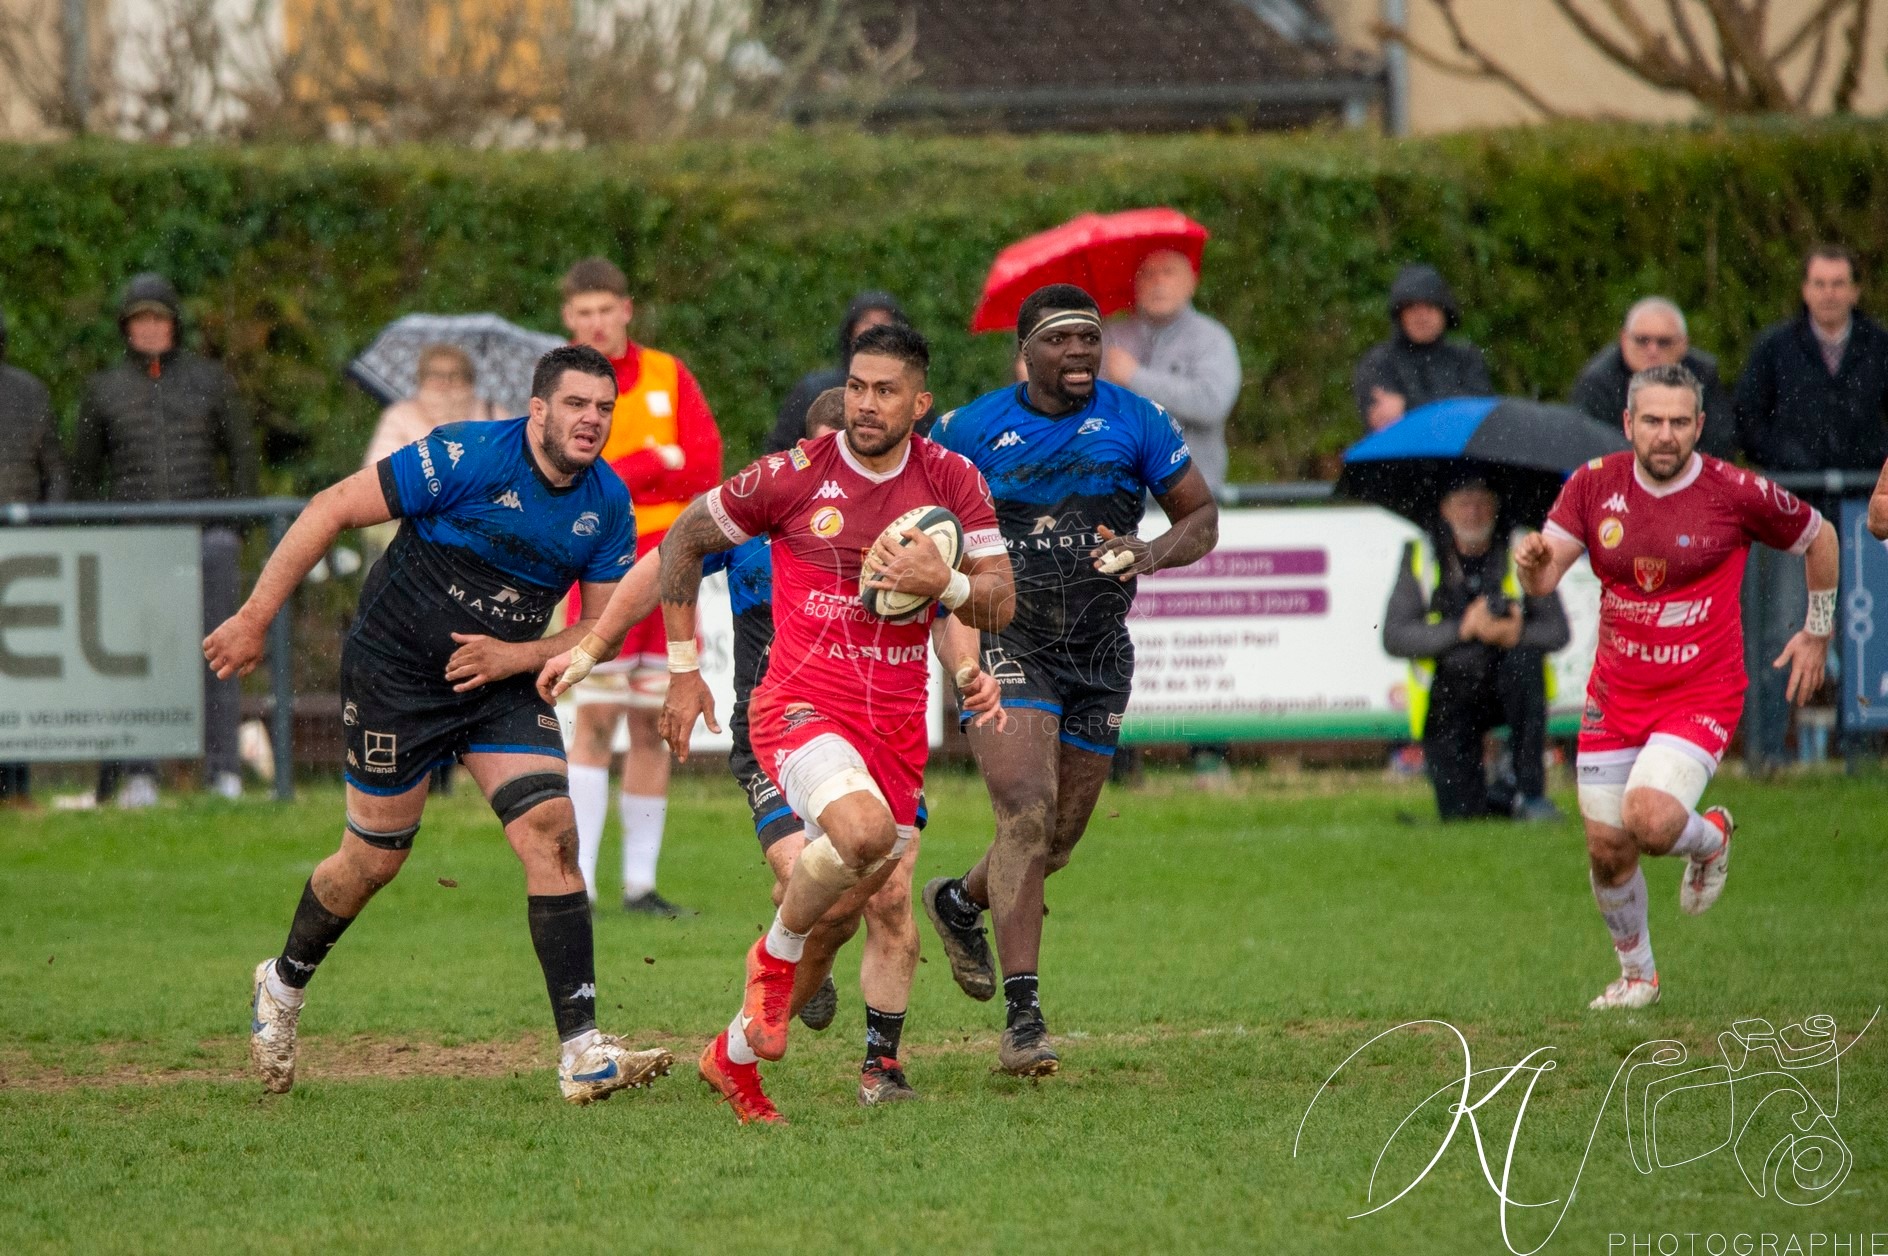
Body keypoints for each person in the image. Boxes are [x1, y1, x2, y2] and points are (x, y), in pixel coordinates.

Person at [205, 345, 674, 1104]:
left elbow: (600, 628)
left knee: (552, 831)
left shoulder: (607, 503)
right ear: (539, 410)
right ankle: (283, 983)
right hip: (396, 677)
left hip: (501, 681)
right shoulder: (463, 456)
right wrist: (256, 617)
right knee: (373, 859)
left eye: (604, 408)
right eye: (577, 404)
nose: (592, 420)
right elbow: (328, 508)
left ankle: (583, 1051)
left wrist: (514, 655)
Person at [655, 322, 1015, 1123]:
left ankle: (732, 1060)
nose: (866, 403)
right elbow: (682, 539)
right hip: (797, 707)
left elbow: (1000, 598)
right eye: (857, 386)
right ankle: (774, 960)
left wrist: (946, 583)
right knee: (862, 837)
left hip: (892, 728)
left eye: (886, 391)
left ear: (920, 403)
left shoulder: (954, 481)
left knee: (870, 888)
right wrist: (684, 673)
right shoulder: (792, 475)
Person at [921, 284, 1220, 1076]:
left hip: (1099, 651)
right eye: (1062, 340)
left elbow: (1201, 516)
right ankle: (1024, 1021)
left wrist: (1147, 552)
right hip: (1006, 638)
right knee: (1024, 812)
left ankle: (957, 901)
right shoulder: (971, 429)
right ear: (1026, 352)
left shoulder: (1138, 420)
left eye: (1089, 338)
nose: (1081, 351)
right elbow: (921, 522)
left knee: (1053, 841)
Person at [1515, 362, 1836, 1010]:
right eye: (1653, 421)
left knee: (1651, 820)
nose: (1666, 434)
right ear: (1630, 423)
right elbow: (1543, 579)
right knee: (1608, 850)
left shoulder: (1733, 490)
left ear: (1700, 426)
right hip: (1616, 695)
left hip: (1701, 693)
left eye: (1679, 422)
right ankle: (1638, 977)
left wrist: (1817, 631)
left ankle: (1709, 837)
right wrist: (1530, 566)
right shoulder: (1592, 486)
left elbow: (1820, 535)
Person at [559, 257, 723, 915]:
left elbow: (706, 467)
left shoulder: (666, 374)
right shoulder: (567, 386)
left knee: (656, 725)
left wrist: (622, 474)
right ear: (569, 321)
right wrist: (654, 462)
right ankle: (583, 884)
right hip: (600, 564)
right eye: (583, 313)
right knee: (595, 718)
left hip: (672, 568)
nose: (596, 322)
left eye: (606, 309)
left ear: (626, 310)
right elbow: (569, 472)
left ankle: (639, 886)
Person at [74, 273, 258, 806]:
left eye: (158, 317)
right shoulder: (103, 390)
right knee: (138, 657)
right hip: (136, 544)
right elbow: (85, 475)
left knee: (224, 652)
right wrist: (106, 537)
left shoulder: (211, 381)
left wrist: (233, 526)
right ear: (126, 328)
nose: (150, 328)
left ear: (174, 324)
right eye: (140, 319)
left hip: (206, 539)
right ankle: (140, 773)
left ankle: (223, 772)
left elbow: (243, 456)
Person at [1735, 245, 1888, 772]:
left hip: (1864, 513)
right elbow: (1748, 422)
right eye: (1820, 283)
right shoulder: (1776, 349)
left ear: (1855, 290)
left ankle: (1861, 753)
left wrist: (1864, 463)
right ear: (1805, 289)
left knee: (1864, 629)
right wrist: (1795, 462)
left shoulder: (1879, 347)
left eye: (1839, 283)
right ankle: (1770, 752)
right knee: (1783, 626)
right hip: (1793, 513)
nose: (1829, 293)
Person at [1381, 475, 1570, 822]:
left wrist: (1515, 632)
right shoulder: (1421, 553)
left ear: (1496, 507)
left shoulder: (1522, 548)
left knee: (1524, 661)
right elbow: (1395, 637)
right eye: (1463, 502)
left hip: (1510, 688)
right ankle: (1497, 800)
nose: (1473, 512)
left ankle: (1530, 793)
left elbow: (1557, 631)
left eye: (1482, 502)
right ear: (1445, 509)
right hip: (1451, 694)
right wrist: (1463, 628)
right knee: (1462, 816)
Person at [1100, 248, 1241, 495]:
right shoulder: (1108, 338)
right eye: (1148, 274)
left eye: (1168, 272)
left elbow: (1212, 403)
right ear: (1135, 284)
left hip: (1190, 498)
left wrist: (1135, 377)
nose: (1158, 282)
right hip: (1115, 496)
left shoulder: (1212, 339)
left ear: (1192, 283)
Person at [0, 306, 66, 808]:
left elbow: (54, 472)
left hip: (21, 555)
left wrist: (47, 531)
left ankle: (16, 785)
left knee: (16, 673)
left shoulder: (28, 393)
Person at [1569, 297, 1735, 460]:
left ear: (1684, 343)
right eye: (1642, 340)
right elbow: (1588, 443)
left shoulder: (1703, 375)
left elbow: (1720, 442)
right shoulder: (1597, 382)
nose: (1652, 350)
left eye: (1664, 342)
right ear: (1624, 339)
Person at [1352, 263, 1493, 431]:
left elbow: (1479, 413)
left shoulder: (1466, 357)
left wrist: (1407, 407)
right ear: (1400, 314)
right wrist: (1447, 407)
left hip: (1457, 455)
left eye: (1430, 306)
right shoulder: (1379, 362)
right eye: (1412, 307)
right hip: (1401, 455)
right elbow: (1383, 422)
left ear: (1444, 311)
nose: (1422, 316)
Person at [766, 291, 908, 454]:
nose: (875, 329)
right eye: (867, 321)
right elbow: (782, 452)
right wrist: (809, 472)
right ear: (851, 329)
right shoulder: (813, 389)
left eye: (884, 322)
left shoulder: (907, 395)